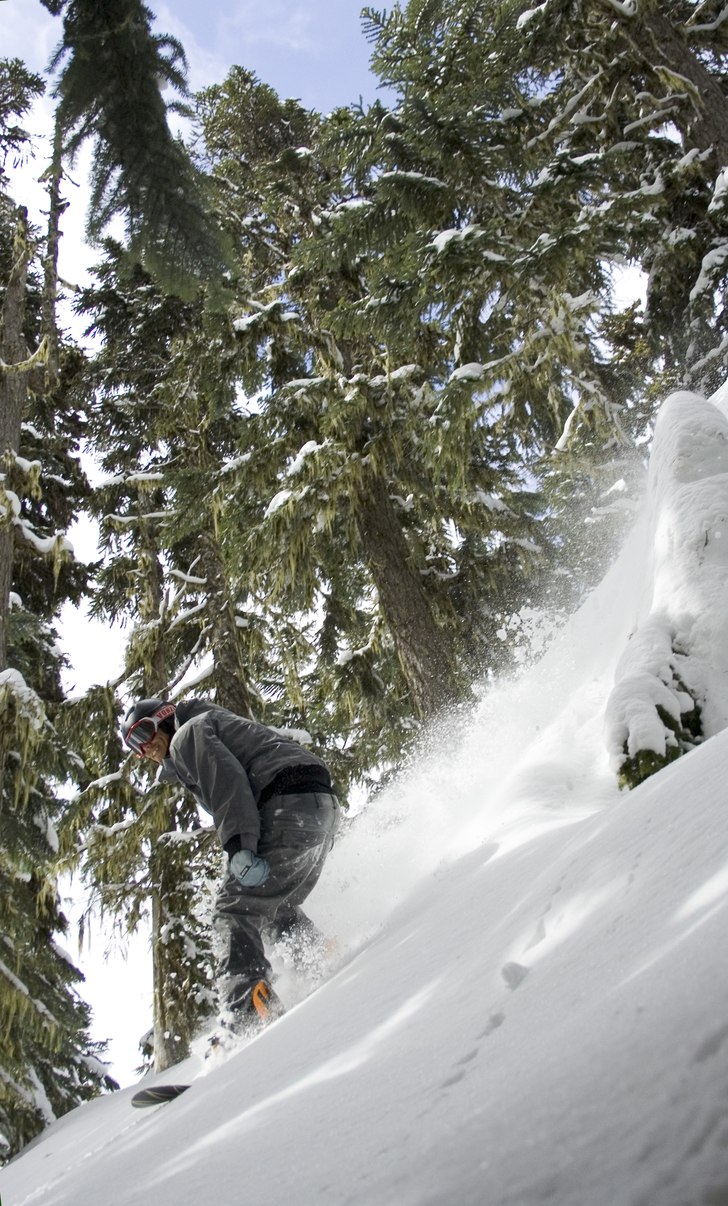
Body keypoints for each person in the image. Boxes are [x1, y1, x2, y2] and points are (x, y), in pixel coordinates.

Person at [121, 696, 340, 1033]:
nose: (144, 748)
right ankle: (319, 959)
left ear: (163, 717)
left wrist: (241, 846)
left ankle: (249, 1016)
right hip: (320, 812)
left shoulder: (187, 735)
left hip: (287, 805)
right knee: (275, 907)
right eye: (134, 747)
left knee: (232, 912)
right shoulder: (212, 725)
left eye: (143, 733)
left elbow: (229, 785)